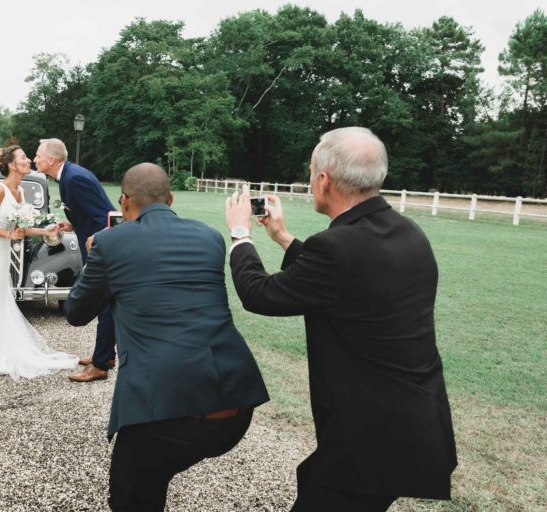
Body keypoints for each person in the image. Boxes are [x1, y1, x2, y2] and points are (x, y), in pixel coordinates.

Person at [225, 127, 457, 511]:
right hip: (414, 424)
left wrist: (240, 235)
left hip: (370, 440)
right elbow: (346, 280)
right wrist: (283, 238)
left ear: (323, 180)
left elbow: (259, 294)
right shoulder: (407, 233)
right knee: (313, 481)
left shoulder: (336, 248)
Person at [64, 163, 270, 511]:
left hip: (165, 407)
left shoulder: (110, 243)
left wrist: (96, 258)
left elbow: (76, 313)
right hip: (236, 401)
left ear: (124, 201)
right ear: (171, 199)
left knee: (130, 497)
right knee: (155, 473)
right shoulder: (209, 237)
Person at [0, 145, 78, 383]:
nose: (28, 160)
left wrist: (43, 230)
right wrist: (8, 236)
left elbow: (19, 227)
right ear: (11, 165)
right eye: (23, 157)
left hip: (1, 251)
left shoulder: (19, 192)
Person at [34, 138, 116, 382]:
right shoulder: (67, 176)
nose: (35, 158)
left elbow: (107, 217)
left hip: (102, 250)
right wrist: (73, 224)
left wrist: (97, 243)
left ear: (51, 160)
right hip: (95, 245)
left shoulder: (74, 178)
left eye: (38, 154)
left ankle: (101, 365)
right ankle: (105, 355)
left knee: (104, 303)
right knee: (105, 303)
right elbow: (89, 212)